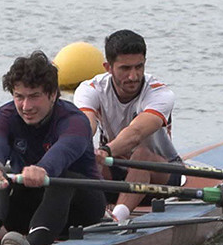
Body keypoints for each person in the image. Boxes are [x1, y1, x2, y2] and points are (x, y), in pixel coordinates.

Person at [0, 51, 106, 245]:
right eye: (19, 97)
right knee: (1, 174)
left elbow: (64, 150)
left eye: (34, 97)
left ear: (52, 95)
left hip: (81, 209)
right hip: (29, 205)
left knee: (60, 179)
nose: (26, 106)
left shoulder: (74, 120)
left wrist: (43, 169)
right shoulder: (2, 117)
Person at [73, 30, 183, 223]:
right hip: (114, 167)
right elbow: (85, 126)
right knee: (86, 160)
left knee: (140, 154)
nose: (133, 76)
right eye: (125, 68)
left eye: (138, 67)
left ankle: (117, 218)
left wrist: (106, 151)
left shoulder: (160, 93)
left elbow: (136, 133)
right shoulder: (90, 89)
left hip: (162, 174)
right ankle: (80, 216)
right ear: (108, 67)